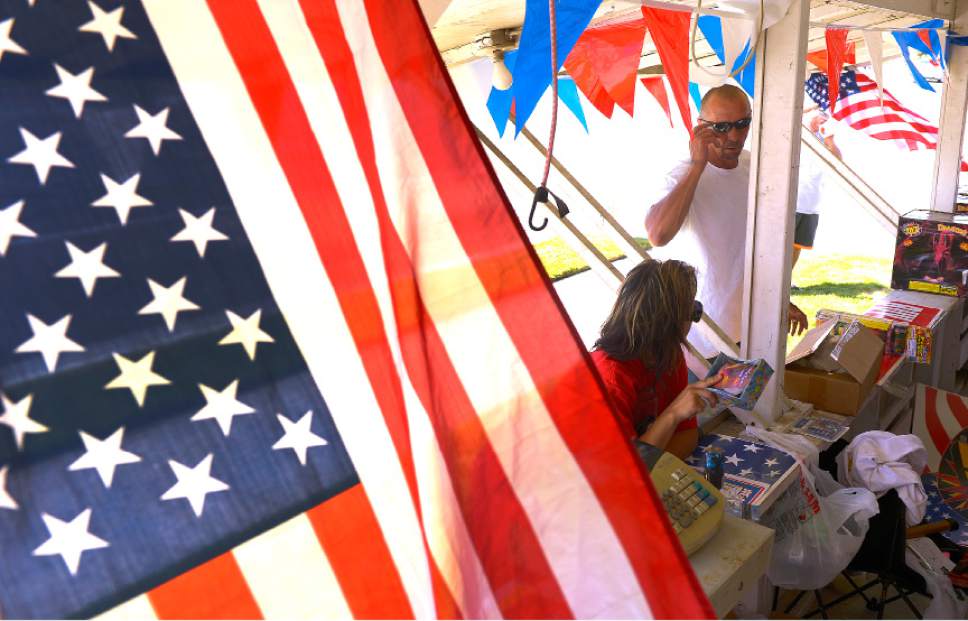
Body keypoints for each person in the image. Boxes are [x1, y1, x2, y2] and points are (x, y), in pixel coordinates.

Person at [645, 84, 808, 359]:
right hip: (700, 337)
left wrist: (777, 295)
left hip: (754, 329)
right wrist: (698, 165)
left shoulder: (756, 167)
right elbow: (657, 235)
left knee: (757, 402)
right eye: (721, 127)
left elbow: (762, 243)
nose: (734, 136)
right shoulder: (682, 176)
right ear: (700, 128)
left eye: (743, 124)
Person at [591, 259, 721, 460]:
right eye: (693, 311)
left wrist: (653, 461)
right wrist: (673, 414)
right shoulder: (611, 378)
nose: (694, 320)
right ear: (666, 320)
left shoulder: (668, 356)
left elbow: (687, 436)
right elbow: (626, 470)